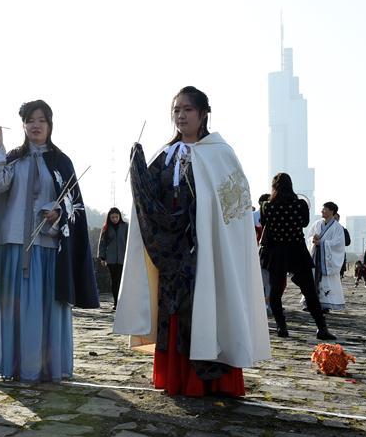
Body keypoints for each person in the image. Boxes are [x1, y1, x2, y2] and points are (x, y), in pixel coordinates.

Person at [115, 86, 269, 397]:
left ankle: (209, 380)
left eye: (187, 109)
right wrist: (137, 169)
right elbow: (151, 201)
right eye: (176, 110)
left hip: (206, 251)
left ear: (203, 114)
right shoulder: (166, 154)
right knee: (174, 309)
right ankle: (176, 377)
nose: (181, 115)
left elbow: (230, 212)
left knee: (204, 308)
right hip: (171, 254)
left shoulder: (220, 154)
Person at [0, 100, 99, 383]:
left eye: (41, 120)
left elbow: (73, 205)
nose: (36, 125)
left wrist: (57, 213)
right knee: (15, 309)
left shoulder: (62, 162)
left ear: (50, 124)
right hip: (14, 246)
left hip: (49, 246)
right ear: (23, 125)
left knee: (44, 308)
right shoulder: (13, 158)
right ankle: (16, 366)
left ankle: (45, 367)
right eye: (30, 120)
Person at [259, 173, 336, 339]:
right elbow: (304, 223)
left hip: (276, 253)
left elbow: (264, 223)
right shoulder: (300, 204)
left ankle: (282, 327)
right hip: (296, 251)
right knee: (309, 291)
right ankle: (321, 328)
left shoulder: (267, 206)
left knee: (276, 292)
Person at [304, 202, 346, 313]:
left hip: (327, 260)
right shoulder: (317, 224)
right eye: (322, 209)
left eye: (325, 209)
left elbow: (338, 244)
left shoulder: (337, 227)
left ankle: (325, 304)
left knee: (326, 282)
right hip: (315, 256)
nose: (322, 211)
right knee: (312, 278)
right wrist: (313, 239)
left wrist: (322, 243)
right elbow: (308, 237)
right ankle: (309, 302)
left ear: (332, 211)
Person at [98, 208, 128, 310]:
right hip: (111, 259)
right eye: (112, 217)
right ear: (109, 218)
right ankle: (116, 303)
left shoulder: (126, 226)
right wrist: (102, 257)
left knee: (121, 281)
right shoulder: (106, 228)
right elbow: (102, 243)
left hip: (123, 258)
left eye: (116, 217)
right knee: (114, 281)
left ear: (119, 216)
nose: (114, 219)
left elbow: (130, 242)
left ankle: (123, 302)